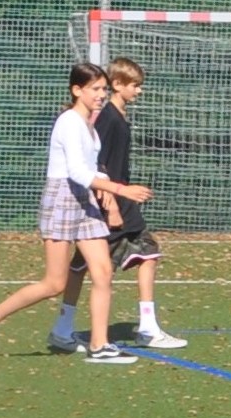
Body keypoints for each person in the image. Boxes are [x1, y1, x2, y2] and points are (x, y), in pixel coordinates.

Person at [0, 63, 153, 364]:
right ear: (76, 90)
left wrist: (107, 193)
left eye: (104, 89)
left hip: (86, 200)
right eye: (95, 89)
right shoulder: (68, 121)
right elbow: (77, 172)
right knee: (55, 283)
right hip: (63, 199)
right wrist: (121, 190)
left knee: (103, 271)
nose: (101, 95)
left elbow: (92, 168)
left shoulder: (89, 126)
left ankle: (99, 345)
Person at [47, 57, 186, 352]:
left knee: (145, 252)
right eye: (135, 85)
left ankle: (70, 328)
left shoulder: (116, 116)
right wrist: (110, 201)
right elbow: (94, 164)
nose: (139, 91)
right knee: (78, 270)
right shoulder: (106, 117)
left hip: (119, 197)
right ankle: (67, 328)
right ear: (118, 85)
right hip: (111, 199)